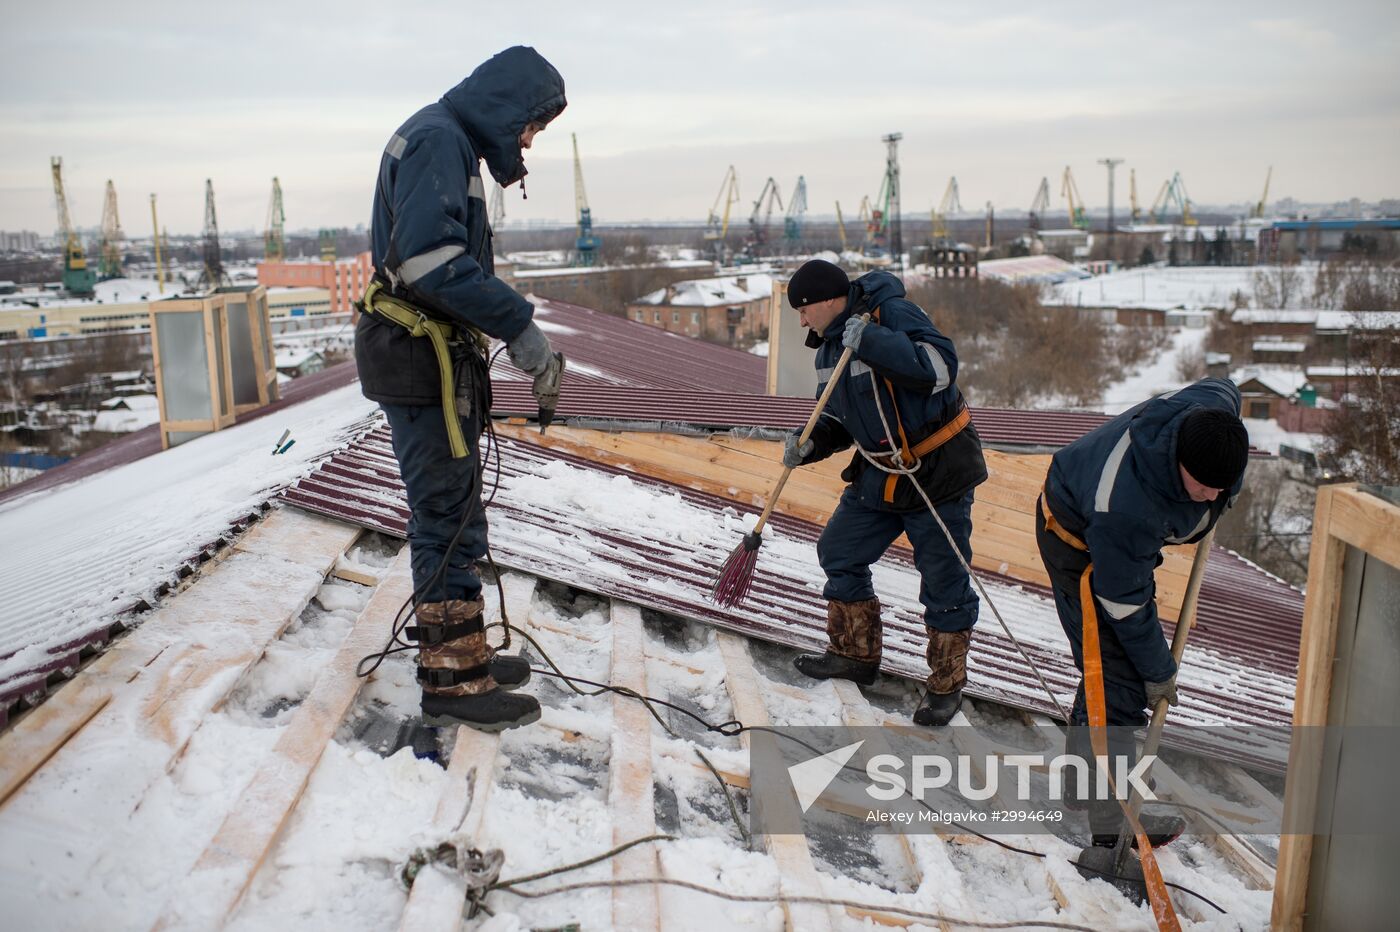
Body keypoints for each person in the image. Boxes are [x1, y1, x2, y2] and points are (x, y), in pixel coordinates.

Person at [354, 47, 567, 732]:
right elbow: (430, 261)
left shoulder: (448, 141)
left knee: (458, 508)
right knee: (445, 512)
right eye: (532, 124)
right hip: (420, 359)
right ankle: (453, 681)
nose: (530, 140)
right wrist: (519, 326)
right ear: (507, 107)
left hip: (432, 357)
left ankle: (458, 644)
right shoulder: (439, 140)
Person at [1036, 377, 1248, 846]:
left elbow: (1226, 387)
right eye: (1205, 486)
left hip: (1121, 547)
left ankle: (1083, 783)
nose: (1214, 496)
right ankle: (1113, 828)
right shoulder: (1124, 506)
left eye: (1224, 487)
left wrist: (1218, 489)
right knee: (1118, 680)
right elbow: (1123, 601)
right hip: (1079, 543)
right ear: (1179, 463)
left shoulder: (1213, 412)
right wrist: (1158, 669)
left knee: (1110, 672)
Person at [784, 259, 987, 725]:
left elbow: (940, 370)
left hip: (937, 472)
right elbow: (837, 417)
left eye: (804, 308)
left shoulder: (892, 314)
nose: (801, 320)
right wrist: (810, 442)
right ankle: (855, 653)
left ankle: (945, 685)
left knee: (944, 582)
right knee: (839, 550)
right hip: (881, 471)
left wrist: (873, 342)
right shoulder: (826, 352)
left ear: (830, 300)